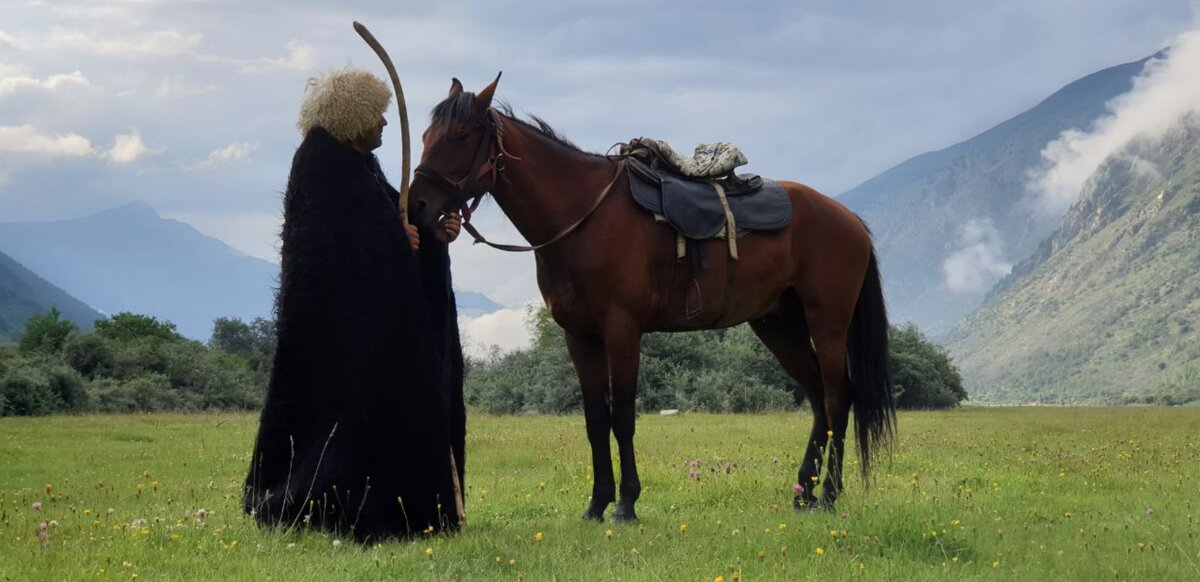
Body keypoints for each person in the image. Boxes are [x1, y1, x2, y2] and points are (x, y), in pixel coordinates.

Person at [243, 66, 466, 542]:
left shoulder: (359, 164)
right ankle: (325, 504)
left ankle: (401, 508)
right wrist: (393, 240)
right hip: (336, 337)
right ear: (352, 115)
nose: (385, 123)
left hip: (371, 335)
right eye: (377, 115)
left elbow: (393, 220)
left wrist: (432, 235)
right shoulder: (320, 165)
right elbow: (327, 250)